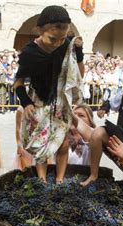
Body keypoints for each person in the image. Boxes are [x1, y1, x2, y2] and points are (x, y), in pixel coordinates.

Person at [14, 5, 84, 183]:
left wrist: (79, 53)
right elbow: (18, 82)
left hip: (61, 103)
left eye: (62, 39)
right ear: (40, 30)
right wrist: (26, 102)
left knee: (63, 143)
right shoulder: (29, 53)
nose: (57, 44)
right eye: (53, 38)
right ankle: (42, 180)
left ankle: (60, 180)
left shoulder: (66, 46)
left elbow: (79, 74)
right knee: (41, 143)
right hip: (39, 102)